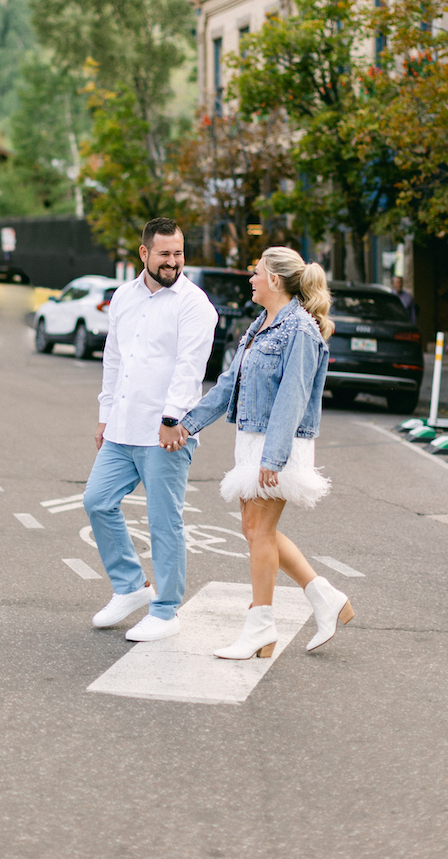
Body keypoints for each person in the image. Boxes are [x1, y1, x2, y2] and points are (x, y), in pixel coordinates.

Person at [167, 247, 355, 659]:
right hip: (253, 440)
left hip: (279, 443)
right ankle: (324, 597)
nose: (250, 279)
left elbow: (293, 396)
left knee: (259, 530)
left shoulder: (300, 330)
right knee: (254, 530)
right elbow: (228, 383)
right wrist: (187, 423)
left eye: (256, 273)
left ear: (274, 279)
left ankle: (262, 628)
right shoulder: (260, 325)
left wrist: (274, 457)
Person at [83, 218, 218, 641]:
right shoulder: (124, 296)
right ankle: (130, 587)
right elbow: (114, 359)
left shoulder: (194, 305)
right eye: (164, 254)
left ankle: (165, 610)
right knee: (97, 501)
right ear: (144, 253)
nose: (172, 262)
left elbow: (190, 368)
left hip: (166, 433)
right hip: (123, 427)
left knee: (164, 522)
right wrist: (105, 415)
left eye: (178, 253)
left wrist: (172, 419)